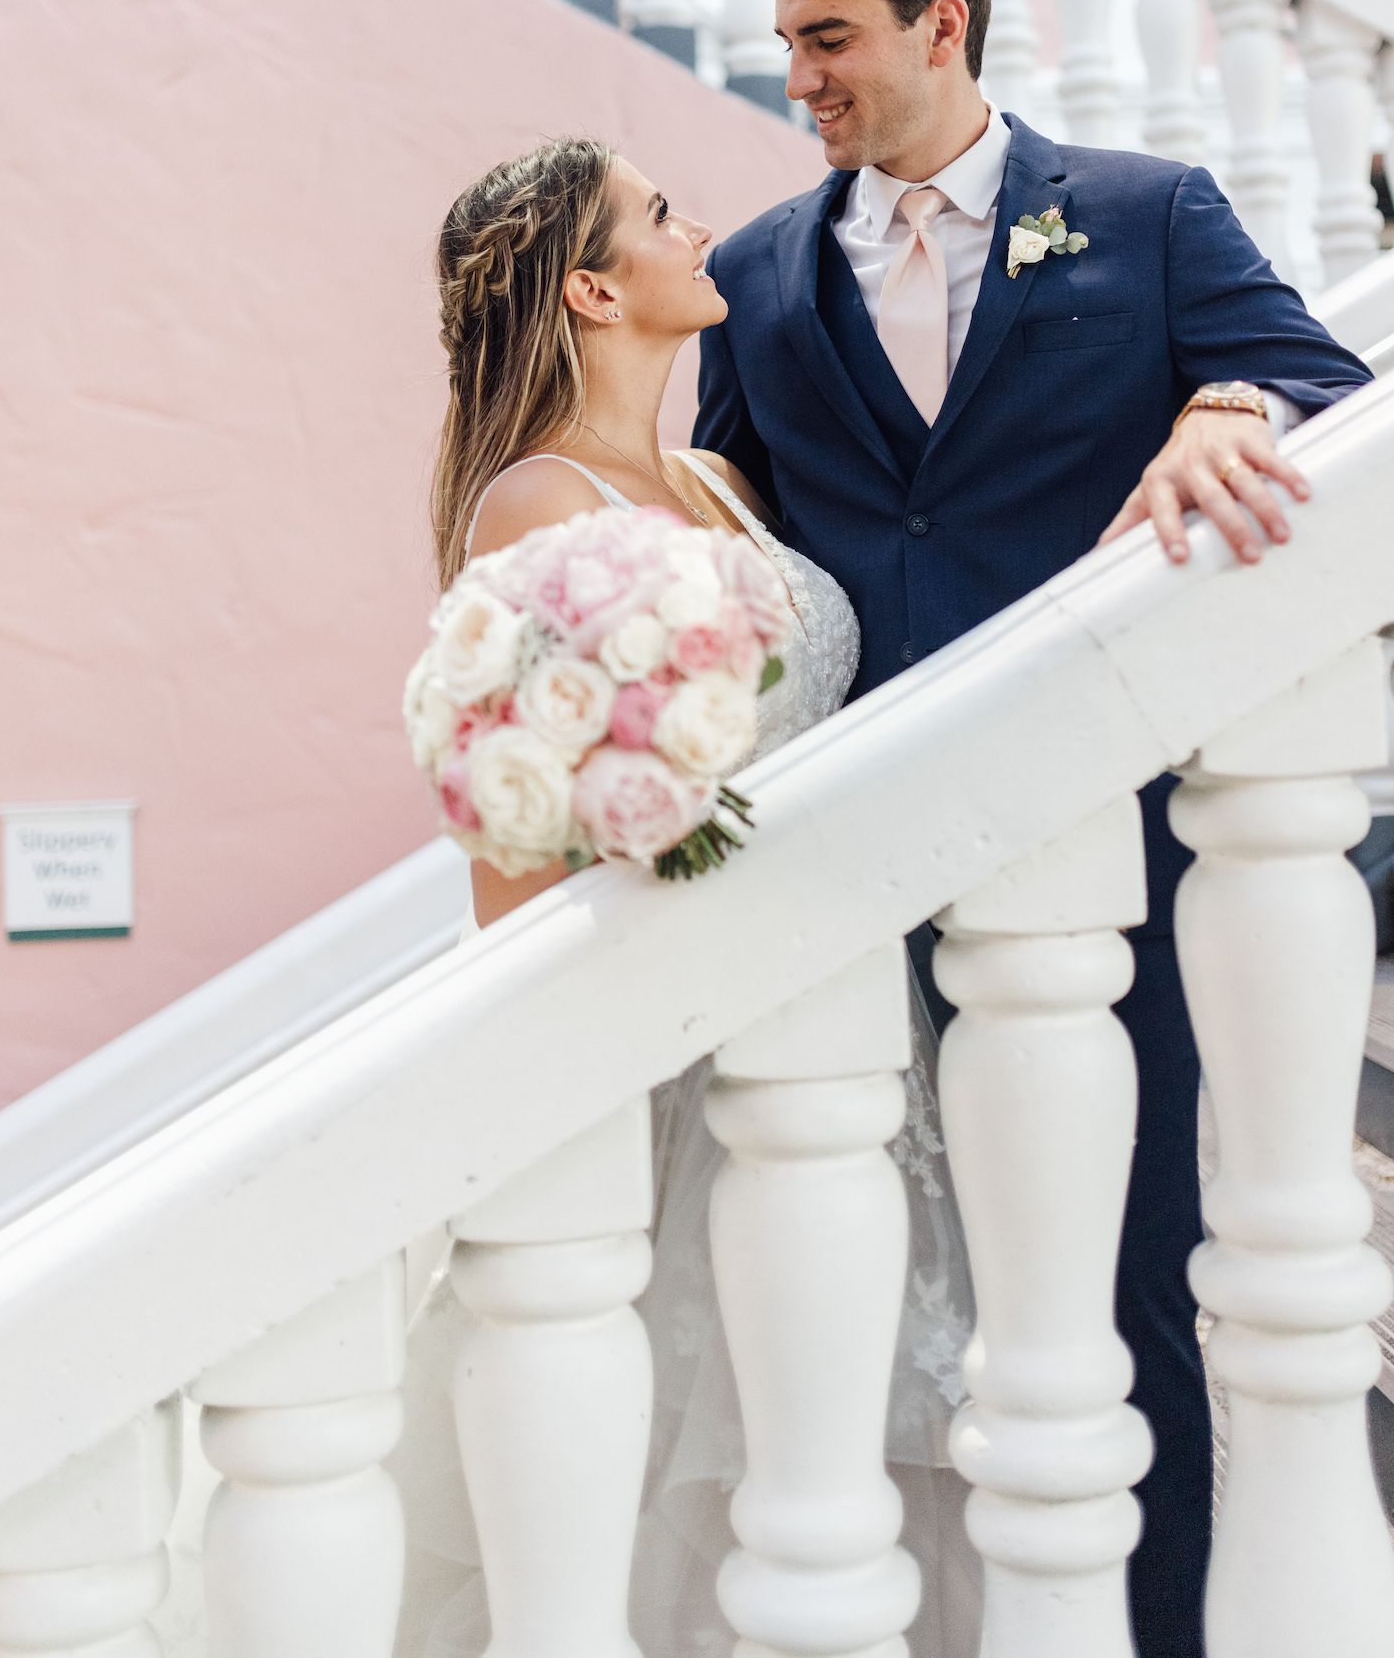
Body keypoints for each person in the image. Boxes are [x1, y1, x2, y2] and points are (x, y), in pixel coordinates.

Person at [691, 0, 1375, 1658]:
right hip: (855, 857)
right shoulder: (759, 269)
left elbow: (1319, 374)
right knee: (864, 1275)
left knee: (1122, 1273)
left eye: (830, 38)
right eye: (787, 44)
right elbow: (732, 538)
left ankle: (1156, 1632)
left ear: (944, 25)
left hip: (1100, 854)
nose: (803, 79)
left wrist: (1229, 403)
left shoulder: (1145, 217)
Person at [393, 138, 981, 1658]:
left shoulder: (718, 477)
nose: (698, 228)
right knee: (703, 1457)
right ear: (594, 285)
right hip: (689, 1040)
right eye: (661, 216)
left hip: (837, 1005)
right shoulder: (536, 508)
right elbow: (513, 833)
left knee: (837, 1430)